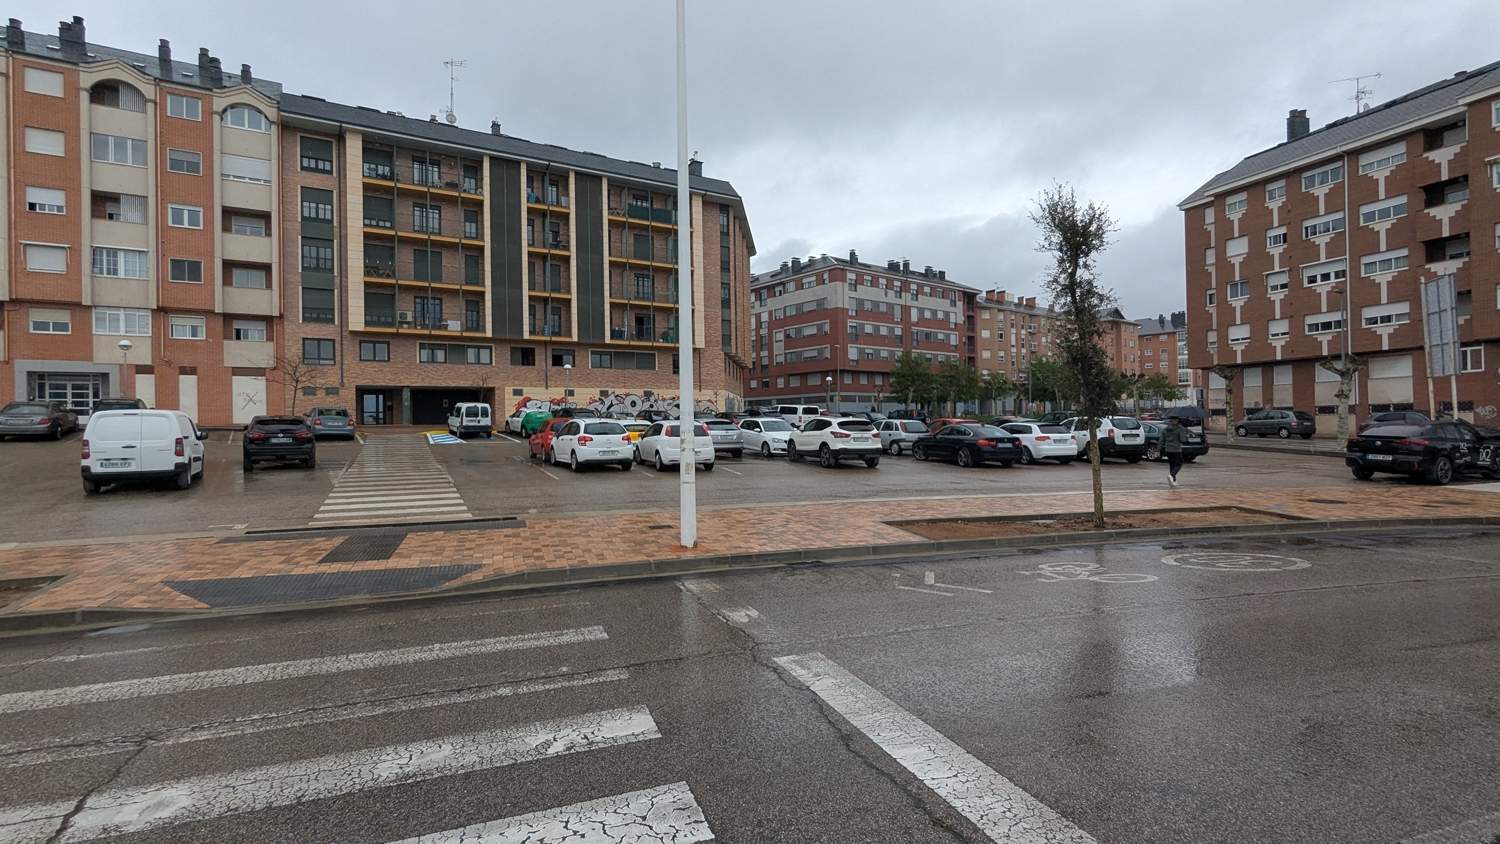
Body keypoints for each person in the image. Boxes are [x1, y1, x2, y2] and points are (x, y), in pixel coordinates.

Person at [1161, 416, 1186, 487]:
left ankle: (1173, 481)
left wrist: (1158, 448)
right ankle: (1172, 475)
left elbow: (1161, 439)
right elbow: (1183, 440)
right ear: (1176, 421)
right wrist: (1184, 431)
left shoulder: (1166, 429)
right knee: (1179, 463)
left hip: (1168, 449)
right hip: (1176, 449)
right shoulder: (1180, 428)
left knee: (1172, 465)